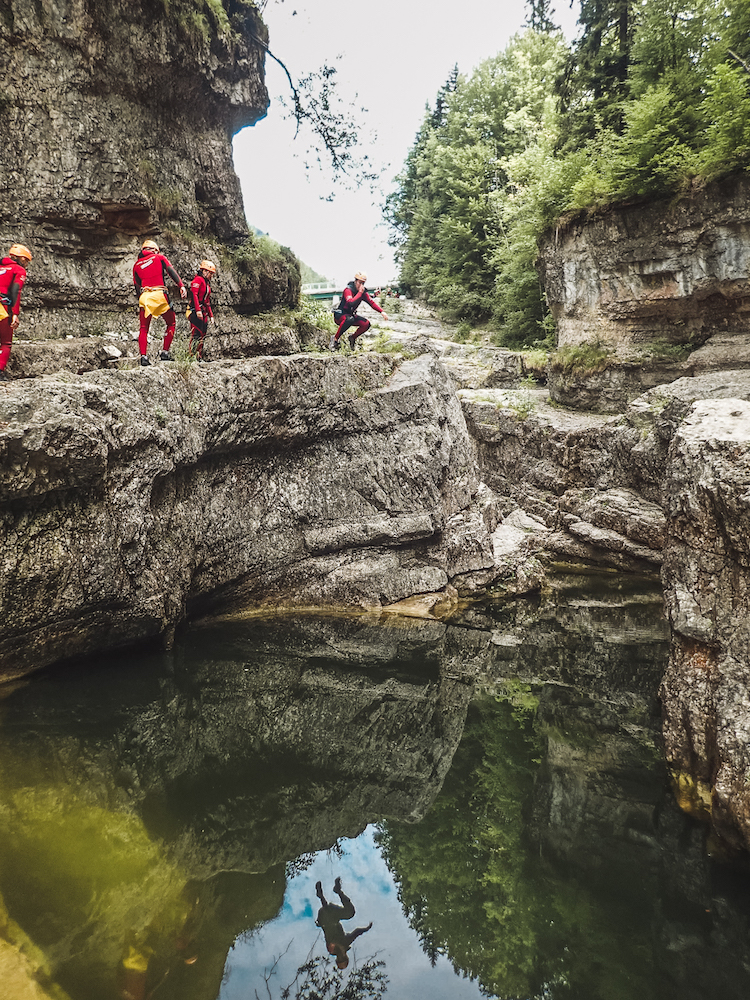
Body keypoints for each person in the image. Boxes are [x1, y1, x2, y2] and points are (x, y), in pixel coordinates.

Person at [132, 239, 187, 366]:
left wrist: (143, 301)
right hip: (159, 294)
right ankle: (165, 353)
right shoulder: (160, 257)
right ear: (155, 250)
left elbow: (137, 287)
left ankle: (143, 357)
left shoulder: (136, 265)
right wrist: (181, 285)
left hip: (145, 296)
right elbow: (171, 271)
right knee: (171, 322)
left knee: (144, 328)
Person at [315, 877, 373, 970]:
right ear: (346, 956)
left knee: (328, 919)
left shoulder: (332, 950)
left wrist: (334, 946)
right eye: (342, 958)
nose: (340, 957)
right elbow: (356, 932)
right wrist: (366, 929)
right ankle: (338, 891)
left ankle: (320, 896)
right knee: (350, 913)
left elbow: (329, 937)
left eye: (339, 959)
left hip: (324, 919)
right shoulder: (346, 943)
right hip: (334, 917)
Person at [330, 271, 388, 351]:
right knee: (349, 319)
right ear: (355, 281)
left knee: (366, 324)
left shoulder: (363, 293)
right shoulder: (348, 290)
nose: (361, 285)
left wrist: (382, 311)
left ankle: (352, 338)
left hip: (351, 316)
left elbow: (371, 303)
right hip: (340, 316)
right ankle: (335, 339)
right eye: (359, 283)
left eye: (363, 283)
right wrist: (360, 293)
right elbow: (350, 303)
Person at [0, 243, 32, 381]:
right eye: (26, 260)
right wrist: (14, 314)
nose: (26, 264)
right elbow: (15, 291)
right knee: (6, 342)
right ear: (21, 258)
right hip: (3, 306)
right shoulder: (18, 270)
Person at [187, 259, 216, 361]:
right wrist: (198, 310)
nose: (211, 276)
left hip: (203, 311)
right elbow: (194, 295)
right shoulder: (198, 280)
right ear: (204, 271)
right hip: (195, 310)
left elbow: (207, 301)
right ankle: (192, 356)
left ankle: (199, 355)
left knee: (203, 334)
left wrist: (211, 315)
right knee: (196, 333)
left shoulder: (206, 284)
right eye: (210, 273)